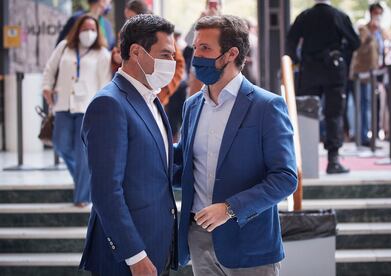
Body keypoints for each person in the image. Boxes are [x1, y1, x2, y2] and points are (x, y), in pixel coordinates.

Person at [174, 15, 297, 276]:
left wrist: (230, 209)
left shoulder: (267, 106)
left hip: (249, 241)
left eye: (205, 48)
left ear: (231, 54)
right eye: (196, 47)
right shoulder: (192, 106)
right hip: (199, 238)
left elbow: (285, 178)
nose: (196, 55)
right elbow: (185, 165)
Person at [79, 14, 178, 276]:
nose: (173, 63)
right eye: (166, 54)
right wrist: (135, 256)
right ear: (136, 52)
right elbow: (105, 191)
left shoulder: (151, 98)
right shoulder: (109, 104)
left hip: (158, 247)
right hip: (127, 258)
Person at [42, 14, 111, 207]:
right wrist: (46, 87)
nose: (88, 33)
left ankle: (82, 197)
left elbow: (105, 85)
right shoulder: (64, 47)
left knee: (83, 155)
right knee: (60, 144)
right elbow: (49, 68)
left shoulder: (102, 54)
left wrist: (103, 112)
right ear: (77, 30)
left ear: (97, 33)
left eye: (92, 29)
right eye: (84, 29)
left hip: (88, 109)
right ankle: (86, 183)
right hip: (63, 104)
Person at [286, 0, 360, 174]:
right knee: (333, 114)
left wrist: (296, 61)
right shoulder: (339, 16)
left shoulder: (304, 16)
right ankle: (333, 161)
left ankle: (303, 162)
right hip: (333, 71)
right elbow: (355, 42)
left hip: (309, 71)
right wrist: (340, 53)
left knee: (306, 113)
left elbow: (291, 42)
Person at [110, 0, 185, 106]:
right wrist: (116, 58)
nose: (128, 21)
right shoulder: (123, 34)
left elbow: (179, 65)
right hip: (131, 92)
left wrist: (164, 91)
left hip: (155, 95)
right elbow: (121, 56)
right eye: (126, 18)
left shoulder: (161, 35)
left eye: (131, 18)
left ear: (143, 16)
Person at [349, 21, 380, 146]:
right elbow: (359, 47)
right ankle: (362, 136)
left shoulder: (373, 35)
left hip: (368, 76)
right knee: (363, 107)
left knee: (366, 107)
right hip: (361, 76)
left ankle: (364, 135)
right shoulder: (364, 31)